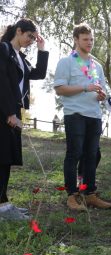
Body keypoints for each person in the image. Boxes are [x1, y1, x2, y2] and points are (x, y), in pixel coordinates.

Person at [54, 23, 111, 210]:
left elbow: (100, 90)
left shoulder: (97, 66)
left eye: (91, 39)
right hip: (75, 114)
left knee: (92, 155)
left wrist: (101, 96)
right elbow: (60, 88)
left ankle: (89, 194)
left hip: (94, 115)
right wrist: (85, 87)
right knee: (74, 154)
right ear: (76, 40)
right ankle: (72, 196)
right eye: (85, 39)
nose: (89, 43)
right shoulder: (66, 61)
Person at [0, 18, 49, 220]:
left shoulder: (21, 57)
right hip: (3, 111)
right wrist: (9, 113)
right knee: (1, 157)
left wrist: (42, 49)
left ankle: (3, 203)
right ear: (18, 31)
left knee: (7, 158)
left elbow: (38, 73)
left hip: (13, 112)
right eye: (29, 36)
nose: (31, 40)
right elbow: (1, 82)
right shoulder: (3, 50)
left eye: (33, 37)